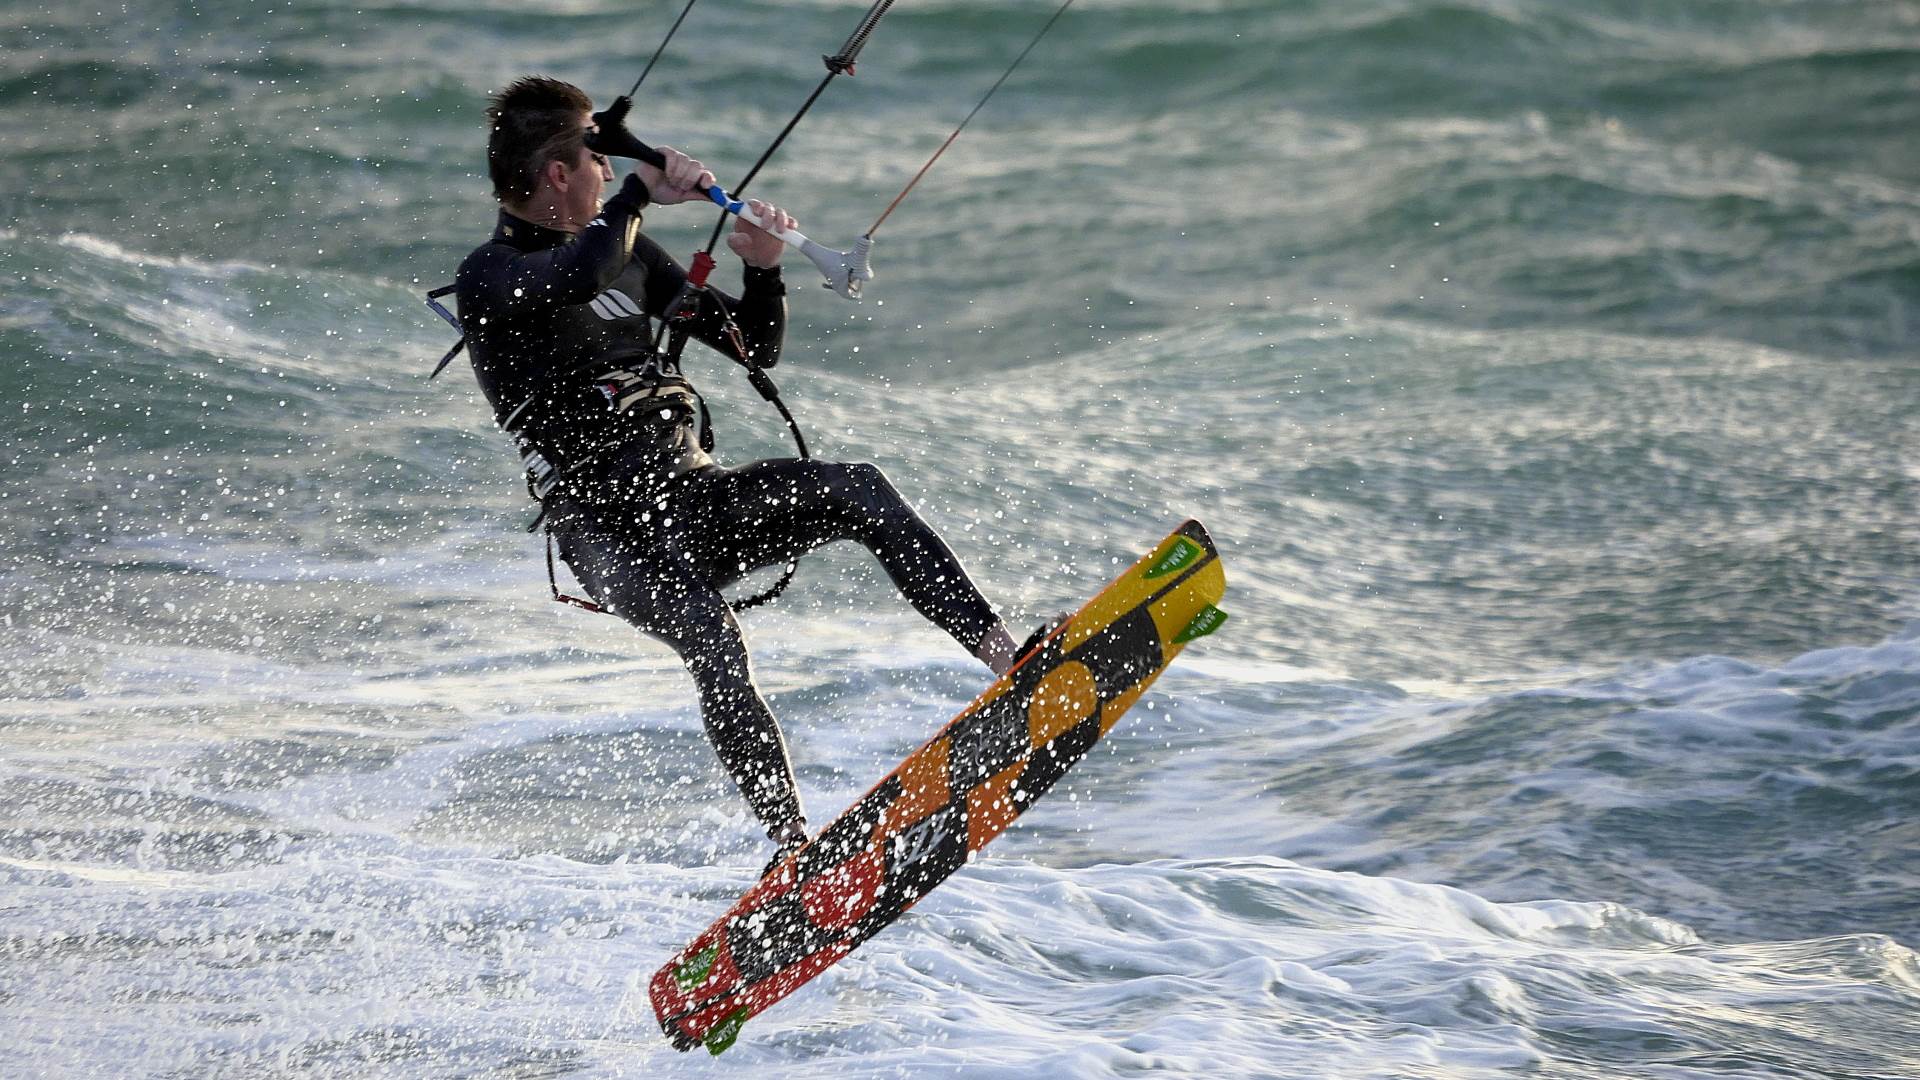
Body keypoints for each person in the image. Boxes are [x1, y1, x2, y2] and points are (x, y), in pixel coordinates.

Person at [454, 77, 1032, 869]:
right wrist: (638, 192)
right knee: (713, 637)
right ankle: (793, 850)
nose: (609, 173)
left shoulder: (629, 252)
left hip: (692, 497)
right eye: (601, 160)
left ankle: (1009, 662)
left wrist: (763, 270)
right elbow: (580, 275)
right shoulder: (490, 274)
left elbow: (753, 346)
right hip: (607, 533)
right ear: (561, 172)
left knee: (858, 487)